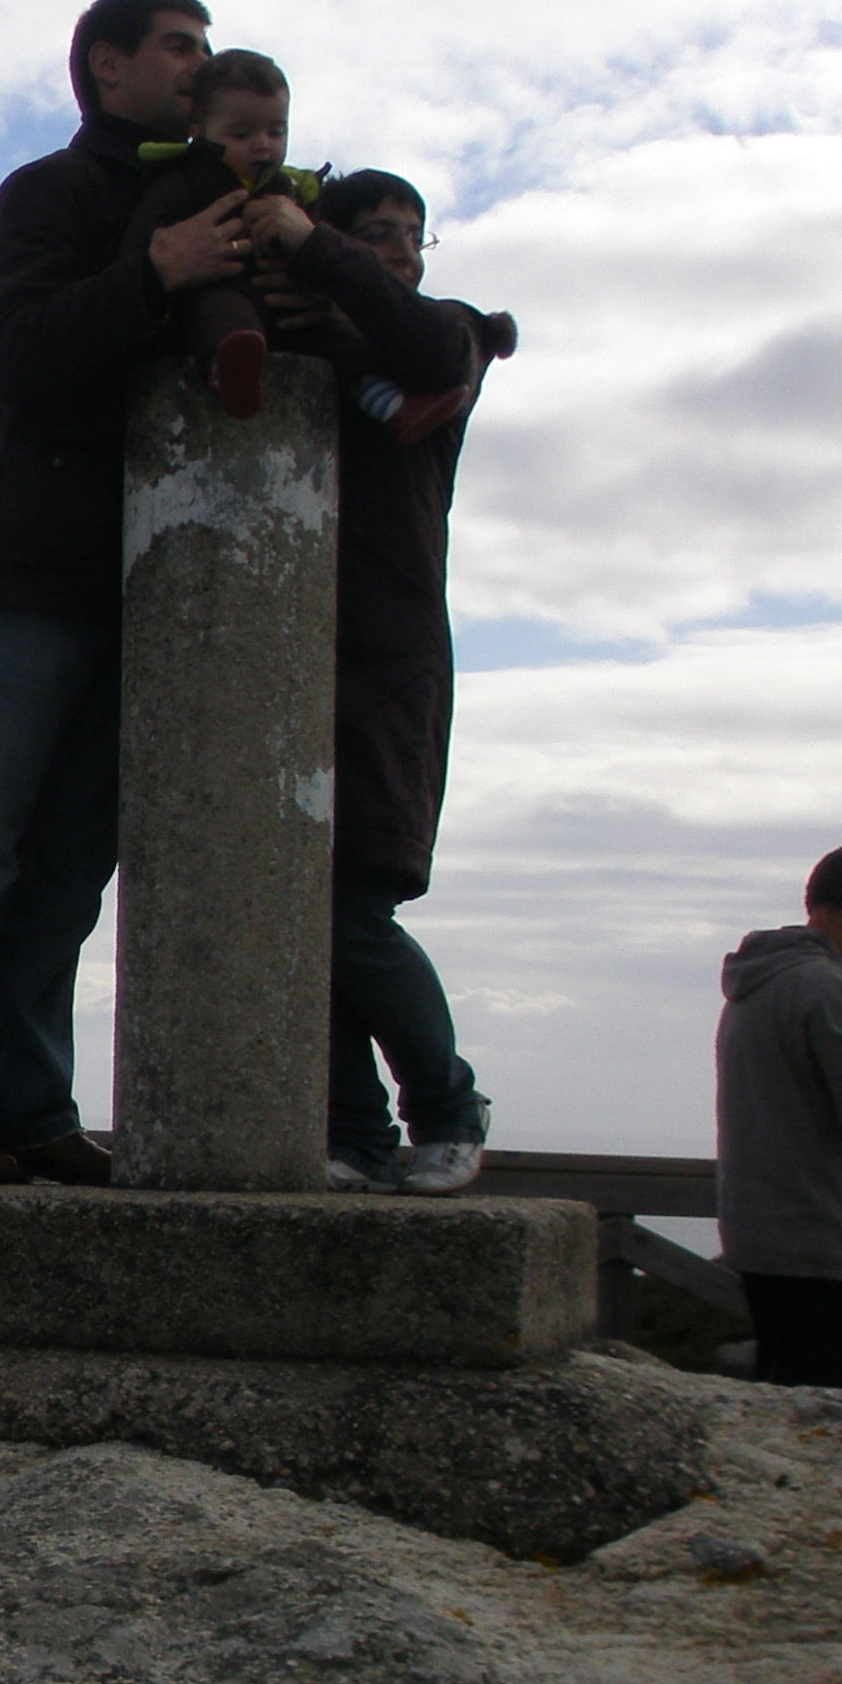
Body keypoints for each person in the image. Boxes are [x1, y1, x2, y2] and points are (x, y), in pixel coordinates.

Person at [0, 0, 237, 1186]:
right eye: (178, 47)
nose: (199, 66)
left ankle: (30, 1107)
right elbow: (15, 348)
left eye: (204, 48)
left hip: (140, 592)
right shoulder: (50, 191)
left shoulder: (197, 196)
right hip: (25, 578)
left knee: (68, 877)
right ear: (107, 65)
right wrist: (157, 271)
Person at [282, 168, 509, 1194]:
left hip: (391, 659)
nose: (402, 251)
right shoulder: (317, 347)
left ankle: (445, 1108)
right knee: (302, 907)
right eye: (376, 233)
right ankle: (357, 1135)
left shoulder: (444, 340)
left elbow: (425, 340)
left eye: (413, 235)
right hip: (295, 658)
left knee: (353, 909)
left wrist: (314, 244)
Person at [715, 844, 842, 1387]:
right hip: (816, 1240)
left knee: (782, 1404)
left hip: (762, 1235)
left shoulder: (755, 984)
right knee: (818, 1414)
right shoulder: (826, 986)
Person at [120, 49, 324, 417]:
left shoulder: (289, 189)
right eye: (242, 133)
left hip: (281, 307)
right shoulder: (184, 180)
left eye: (276, 131)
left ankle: (386, 397)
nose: (263, 144)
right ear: (200, 134)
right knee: (215, 308)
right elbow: (144, 243)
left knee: (332, 330)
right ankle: (229, 372)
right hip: (216, 292)